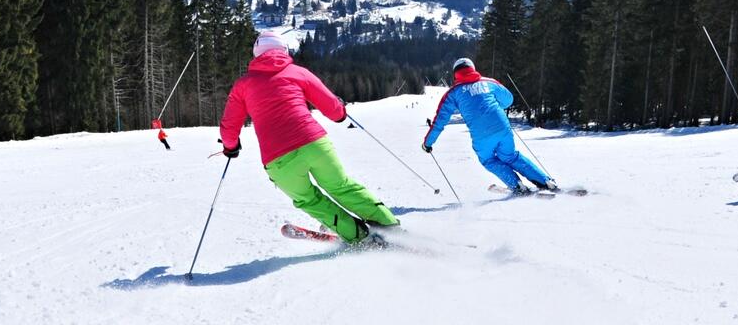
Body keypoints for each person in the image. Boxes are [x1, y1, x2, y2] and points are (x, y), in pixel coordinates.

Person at [219, 31, 398, 246]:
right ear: (284, 50)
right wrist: (340, 113)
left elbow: (228, 127)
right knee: (341, 186)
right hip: (314, 143)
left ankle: (358, 237)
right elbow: (333, 108)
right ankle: (388, 225)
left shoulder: (243, 85)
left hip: (278, 158)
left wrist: (231, 147)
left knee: (308, 199)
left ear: (256, 53)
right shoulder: (298, 72)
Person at [422, 58, 555, 195]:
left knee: (489, 160)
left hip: (481, 135)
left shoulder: (452, 93)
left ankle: (517, 185)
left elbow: (439, 122)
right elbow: (508, 99)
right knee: (511, 157)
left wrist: (428, 143)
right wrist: (494, 107)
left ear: (455, 73)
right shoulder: (488, 82)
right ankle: (545, 181)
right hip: (502, 127)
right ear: (472, 68)